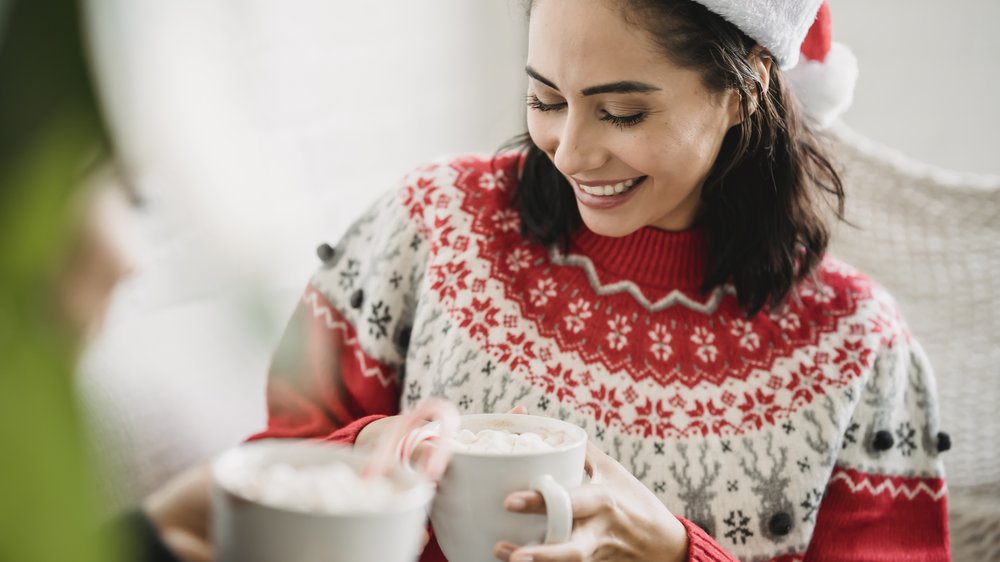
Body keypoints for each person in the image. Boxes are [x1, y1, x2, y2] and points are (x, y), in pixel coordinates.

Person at [244, 0, 951, 561]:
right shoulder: (430, 227)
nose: (572, 153)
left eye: (622, 112)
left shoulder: (856, 348)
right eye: (547, 100)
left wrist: (679, 554)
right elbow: (256, 492)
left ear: (745, 86)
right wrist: (367, 454)